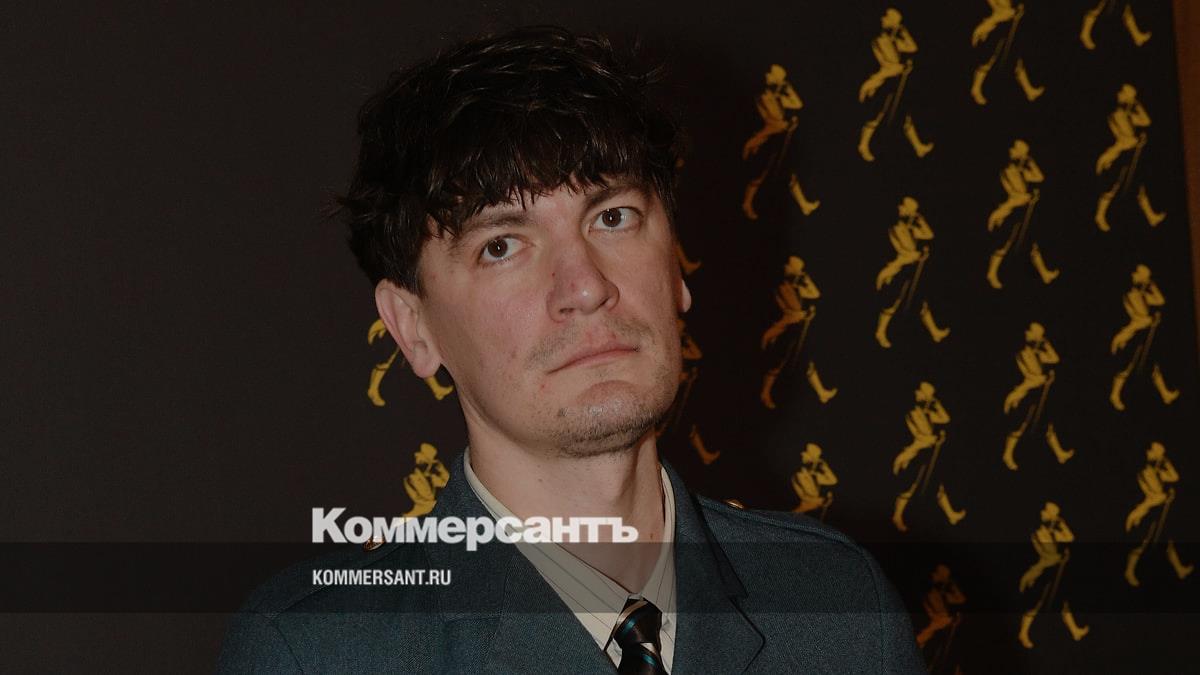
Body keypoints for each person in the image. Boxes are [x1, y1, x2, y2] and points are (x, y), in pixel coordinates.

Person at [218, 25, 922, 673]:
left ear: (676, 265)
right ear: (412, 327)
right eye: (502, 246)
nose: (585, 287)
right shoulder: (324, 651)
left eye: (612, 216)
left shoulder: (837, 607)